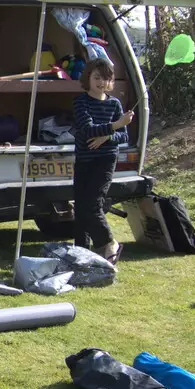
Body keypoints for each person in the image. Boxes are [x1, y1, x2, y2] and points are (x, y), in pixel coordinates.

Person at [71, 58, 134, 263]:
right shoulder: (81, 102)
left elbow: (124, 136)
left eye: (106, 78)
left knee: (92, 204)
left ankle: (108, 243)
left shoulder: (114, 104)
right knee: (81, 208)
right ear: (87, 78)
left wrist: (108, 135)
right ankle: (81, 253)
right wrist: (115, 125)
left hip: (106, 160)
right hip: (84, 160)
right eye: (96, 77)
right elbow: (88, 130)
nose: (101, 82)